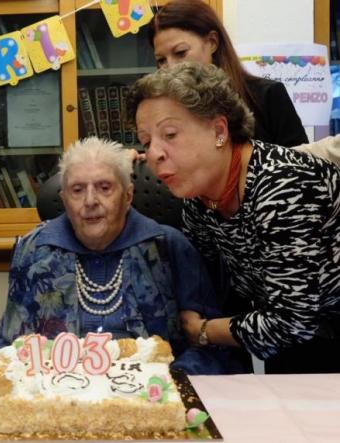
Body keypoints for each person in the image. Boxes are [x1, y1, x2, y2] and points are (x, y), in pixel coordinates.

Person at [129, 61, 340, 373]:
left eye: (170, 134)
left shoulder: (281, 185)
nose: (155, 154)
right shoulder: (199, 200)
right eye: (147, 142)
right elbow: (205, 286)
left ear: (219, 131)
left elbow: (292, 322)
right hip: (296, 340)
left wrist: (203, 331)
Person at [0, 137, 244, 375]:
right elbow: (10, 346)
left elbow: (211, 347)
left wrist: (168, 382)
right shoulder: (34, 250)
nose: (90, 201)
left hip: (153, 400)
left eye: (104, 188)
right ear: (64, 200)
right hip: (57, 399)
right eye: (77, 190)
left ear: (127, 196)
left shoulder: (168, 247)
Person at [148, 0, 308, 148]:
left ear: (212, 42)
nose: (171, 67)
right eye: (161, 60)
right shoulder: (168, 109)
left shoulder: (267, 95)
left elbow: (303, 167)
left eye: (181, 53)